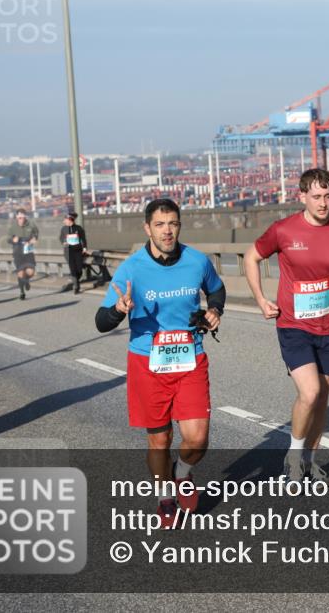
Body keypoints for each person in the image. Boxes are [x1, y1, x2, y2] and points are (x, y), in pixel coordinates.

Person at [95, 199, 225, 524]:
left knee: (197, 439)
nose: (167, 231)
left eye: (173, 224)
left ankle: (182, 473)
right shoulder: (132, 269)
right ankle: (164, 496)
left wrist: (214, 311)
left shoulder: (197, 261)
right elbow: (101, 321)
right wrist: (118, 310)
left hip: (190, 359)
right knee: (159, 439)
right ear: (147, 228)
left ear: (179, 225)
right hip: (147, 364)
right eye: (160, 225)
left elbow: (217, 291)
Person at [244, 168, 329, 485]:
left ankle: (310, 461)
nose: (323, 203)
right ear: (302, 197)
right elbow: (250, 257)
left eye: (327, 196)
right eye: (316, 197)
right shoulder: (283, 230)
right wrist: (260, 298)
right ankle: (294, 457)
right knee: (309, 392)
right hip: (292, 324)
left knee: (322, 397)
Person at [7, 208, 39, 300]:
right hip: (18, 253)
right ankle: (22, 291)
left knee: (31, 272)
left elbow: (36, 233)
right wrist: (13, 240)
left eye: (22, 217)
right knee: (21, 273)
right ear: (17, 217)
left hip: (28, 252)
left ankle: (26, 280)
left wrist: (34, 239)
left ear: (25, 216)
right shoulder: (13, 227)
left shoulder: (31, 225)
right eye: (19, 217)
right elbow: (8, 239)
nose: (21, 219)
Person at [59, 212, 88, 294]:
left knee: (79, 270)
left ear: (70, 220)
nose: (64, 221)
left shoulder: (78, 228)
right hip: (68, 252)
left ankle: (74, 279)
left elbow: (83, 239)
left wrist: (85, 248)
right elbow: (61, 238)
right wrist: (63, 242)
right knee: (73, 269)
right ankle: (76, 287)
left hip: (78, 251)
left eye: (65, 219)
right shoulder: (64, 229)